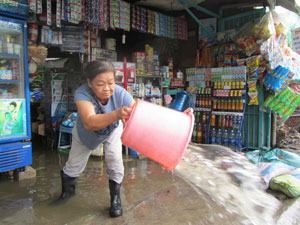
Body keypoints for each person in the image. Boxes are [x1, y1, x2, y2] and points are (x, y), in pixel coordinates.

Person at [58, 60, 134, 218]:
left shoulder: (120, 93)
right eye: (100, 84)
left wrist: (179, 119)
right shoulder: (82, 93)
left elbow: (142, 112)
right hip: (85, 133)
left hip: (111, 130)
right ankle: (67, 194)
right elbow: (89, 122)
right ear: (90, 83)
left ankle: (115, 200)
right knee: (74, 165)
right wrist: (117, 114)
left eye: (111, 83)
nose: (107, 88)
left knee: (114, 159)